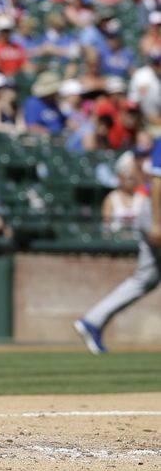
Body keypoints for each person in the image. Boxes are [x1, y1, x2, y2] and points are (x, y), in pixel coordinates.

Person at [75, 137, 161, 355]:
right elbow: (158, 180)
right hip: (157, 213)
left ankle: (93, 321)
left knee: (146, 278)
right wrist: (158, 223)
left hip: (150, 212)